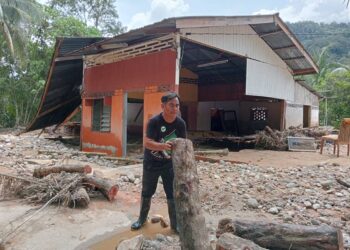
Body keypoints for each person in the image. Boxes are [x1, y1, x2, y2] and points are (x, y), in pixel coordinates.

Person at [131, 92, 187, 232]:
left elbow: (183, 144)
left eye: (177, 105)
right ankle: (141, 220)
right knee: (147, 192)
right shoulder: (154, 122)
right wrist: (162, 146)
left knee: (171, 193)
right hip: (151, 163)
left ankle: (175, 225)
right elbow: (147, 143)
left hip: (169, 165)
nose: (175, 108)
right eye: (171, 105)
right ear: (163, 106)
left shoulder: (181, 124)